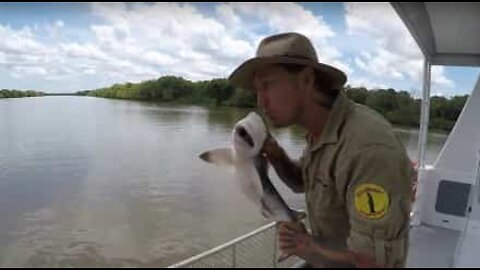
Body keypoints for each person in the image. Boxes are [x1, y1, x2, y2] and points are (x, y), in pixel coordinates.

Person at [228, 32, 413, 267]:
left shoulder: (368, 149)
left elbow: (375, 263)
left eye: (268, 86)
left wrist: (305, 246)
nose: (261, 102)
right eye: (257, 90)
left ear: (306, 79)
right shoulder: (322, 131)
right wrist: (276, 156)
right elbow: (302, 182)